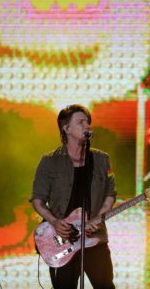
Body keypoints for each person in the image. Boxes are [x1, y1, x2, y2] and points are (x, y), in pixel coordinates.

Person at [30, 104, 116, 288]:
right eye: (81, 122)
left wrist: (99, 218)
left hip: (95, 239)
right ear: (66, 128)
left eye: (88, 122)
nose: (87, 126)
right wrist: (54, 222)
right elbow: (37, 199)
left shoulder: (102, 159)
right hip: (62, 239)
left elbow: (110, 194)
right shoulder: (49, 161)